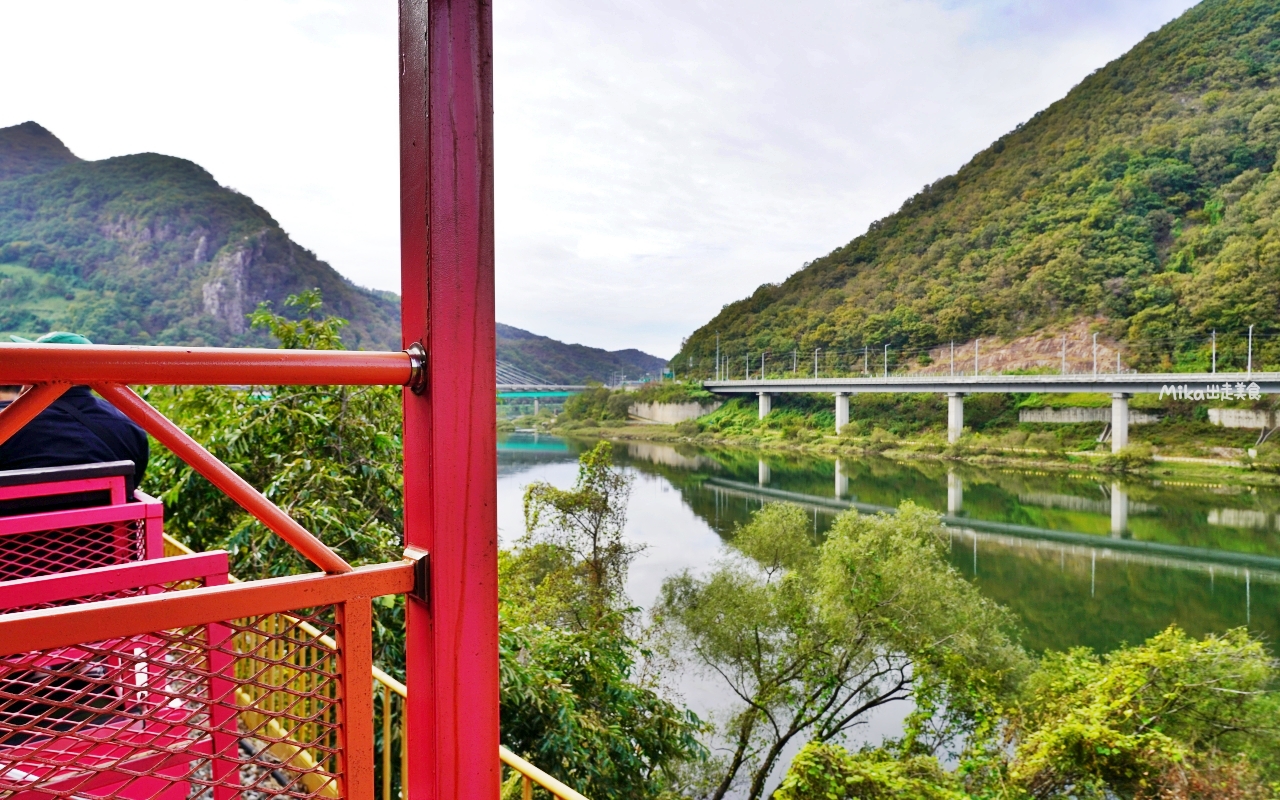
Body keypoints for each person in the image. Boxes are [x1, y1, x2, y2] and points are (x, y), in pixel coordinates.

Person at [0, 331, 150, 494]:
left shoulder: (8, 425)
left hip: (20, 518)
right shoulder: (130, 428)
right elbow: (132, 484)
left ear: (40, 371)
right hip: (102, 520)